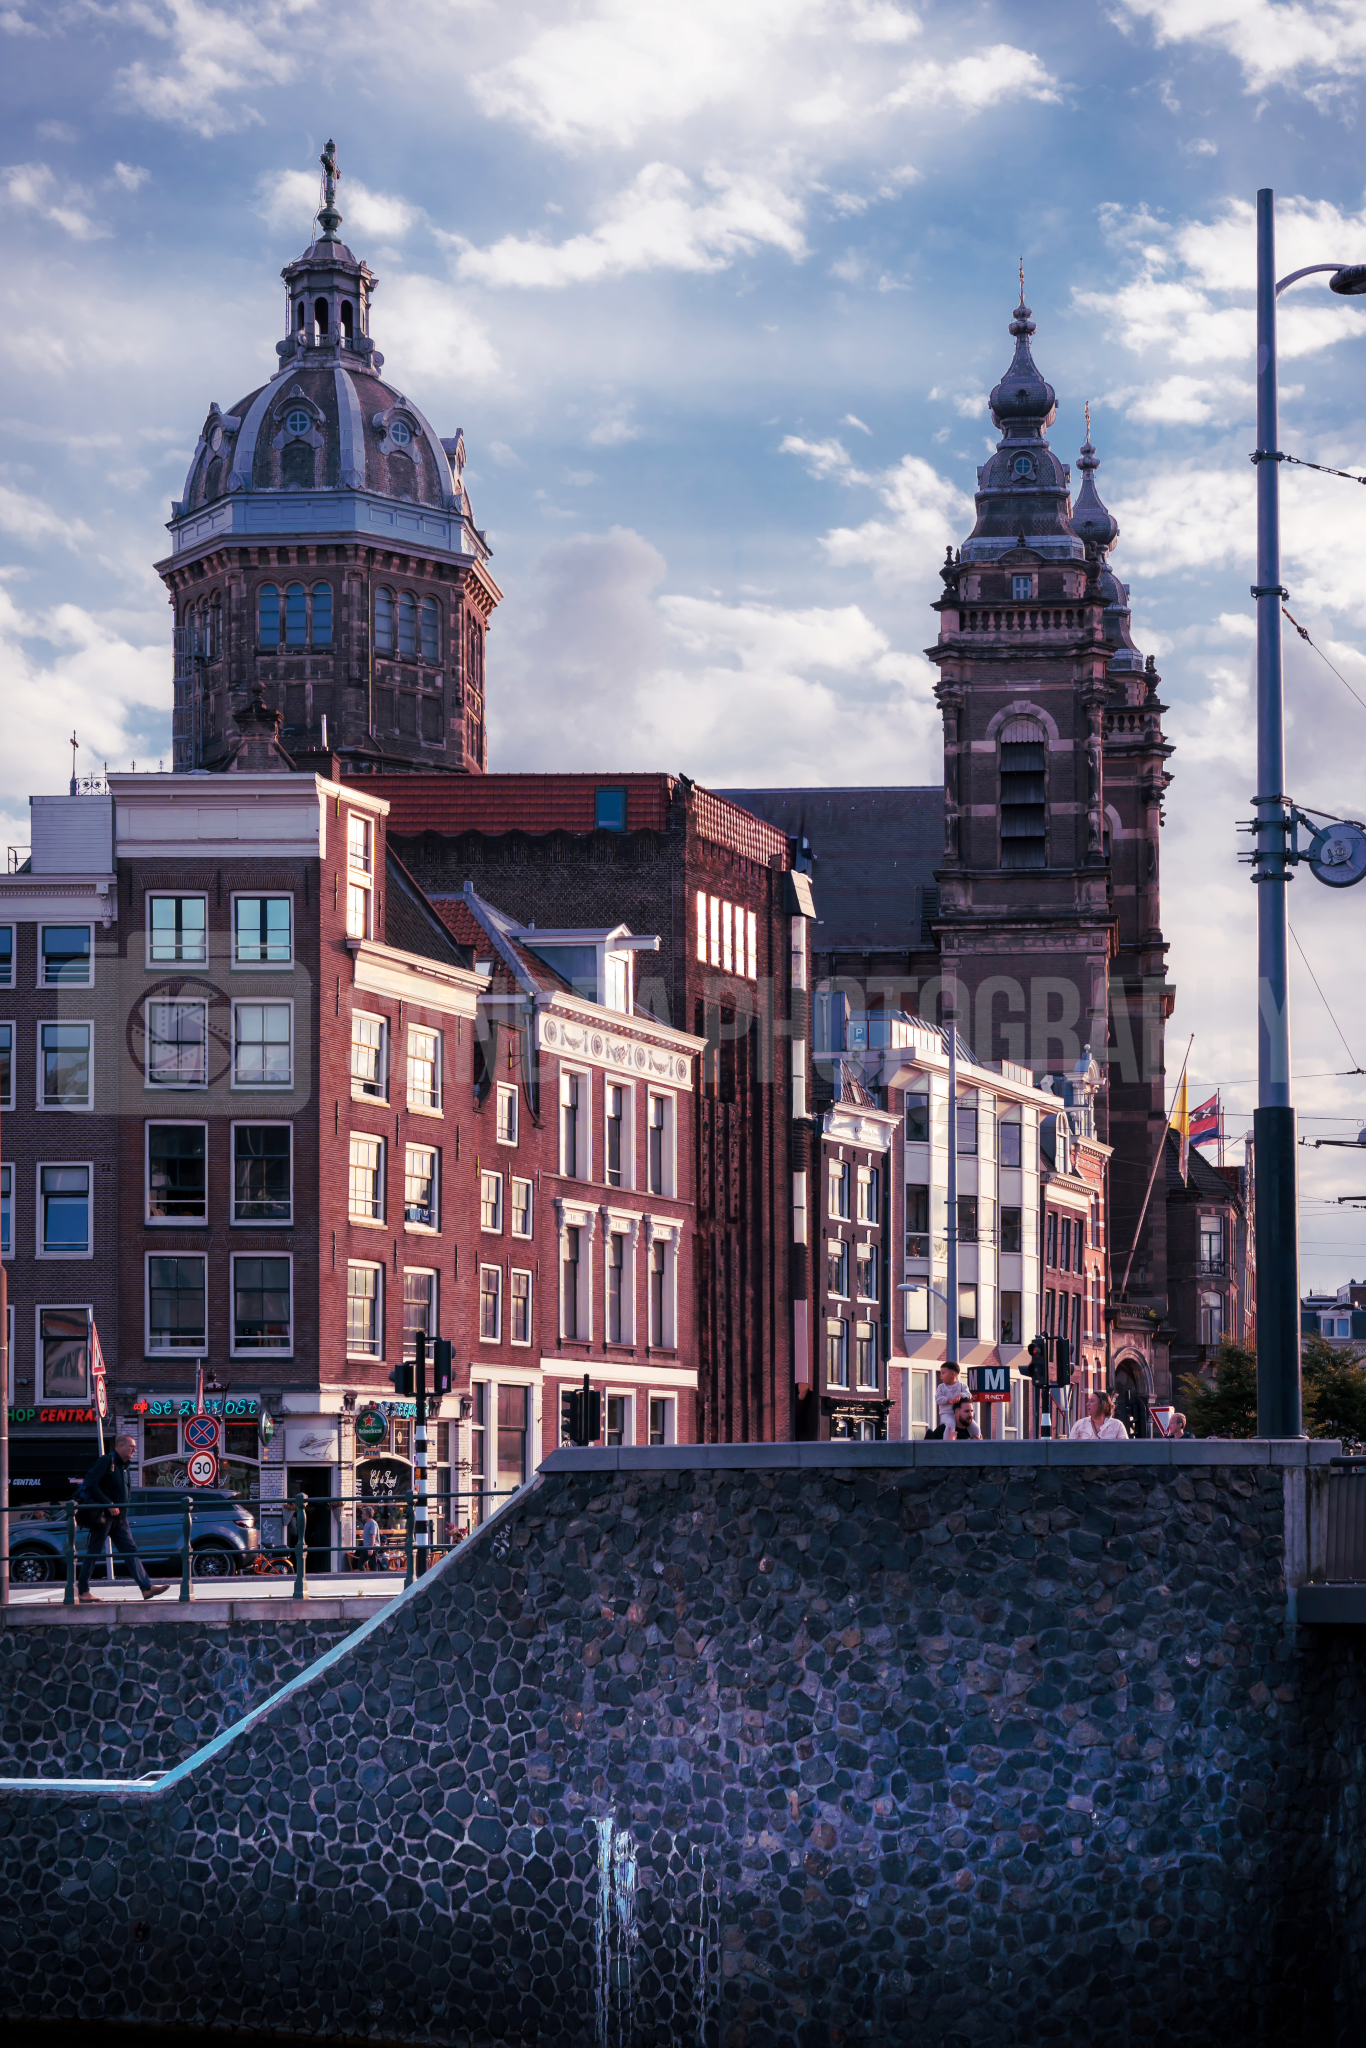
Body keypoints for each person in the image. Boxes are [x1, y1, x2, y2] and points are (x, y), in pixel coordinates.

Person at [75, 1436, 170, 1603]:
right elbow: (91, 1484)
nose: (134, 1450)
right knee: (94, 1552)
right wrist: (108, 1503)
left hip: (120, 1519)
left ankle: (146, 1588)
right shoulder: (107, 1460)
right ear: (120, 1445)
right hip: (104, 1517)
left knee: (130, 1551)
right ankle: (83, 1591)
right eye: (131, 1446)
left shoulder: (124, 1467)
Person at [934, 1362, 969, 1438]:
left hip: (960, 1414)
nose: (941, 1376)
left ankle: (978, 1440)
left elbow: (969, 1395)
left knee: (974, 1426)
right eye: (941, 1373)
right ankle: (948, 1443)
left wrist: (961, 1395)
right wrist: (947, 1400)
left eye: (943, 1373)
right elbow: (937, 1398)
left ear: (953, 1374)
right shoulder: (941, 1387)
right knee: (950, 1424)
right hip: (946, 1413)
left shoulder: (962, 1385)